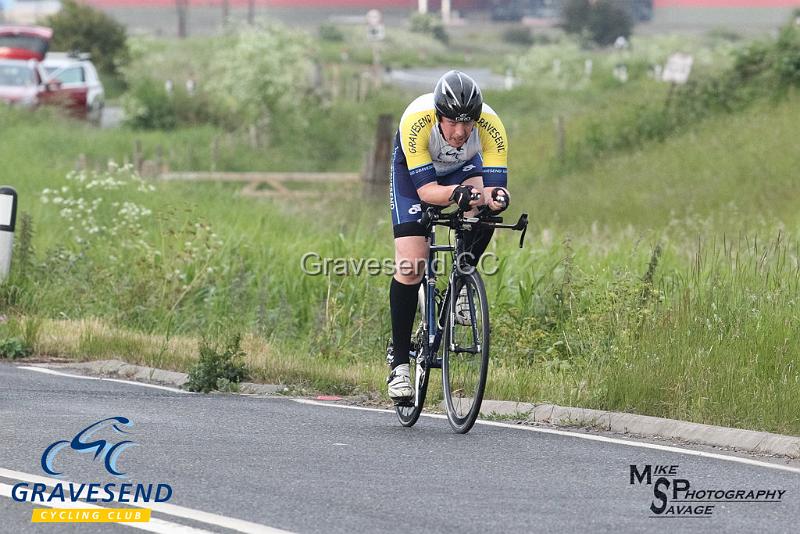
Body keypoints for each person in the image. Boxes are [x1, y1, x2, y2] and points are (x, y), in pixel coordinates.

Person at [387, 70, 510, 401]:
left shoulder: (491, 126)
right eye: (452, 123)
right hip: (415, 177)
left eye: (467, 124)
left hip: (462, 170)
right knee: (412, 264)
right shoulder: (416, 121)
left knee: (485, 217)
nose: (460, 131)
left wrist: (495, 200)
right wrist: (457, 194)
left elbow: (495, 190)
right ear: (439, 116)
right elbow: (427, 192)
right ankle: (399, 364)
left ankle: (458, 288)